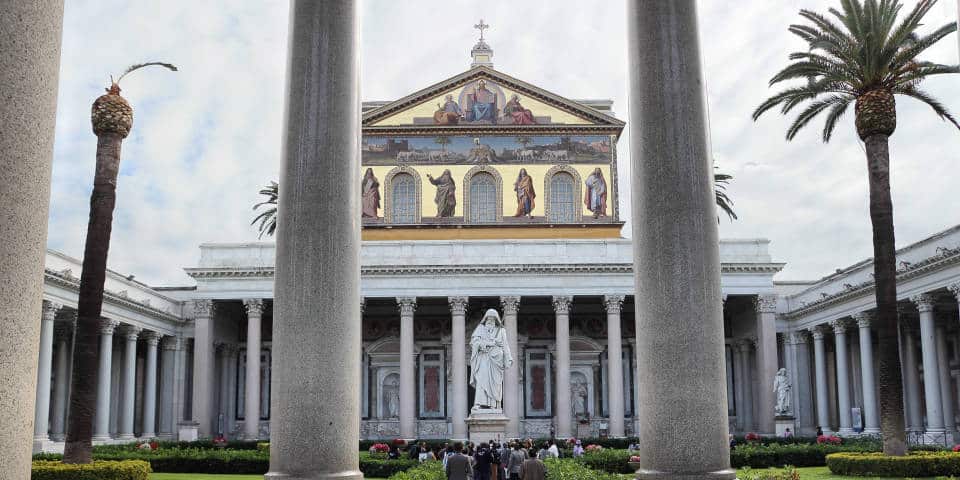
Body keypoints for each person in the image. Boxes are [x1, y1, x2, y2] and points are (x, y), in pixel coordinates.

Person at [470, 309, 513, 410]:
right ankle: (478, 403)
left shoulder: (501, 331)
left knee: (496, 383)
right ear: (485, 320)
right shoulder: (480, 329)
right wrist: (490, 343)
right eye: (488, 320)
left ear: (496, 320)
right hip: (483, 359)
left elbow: (505, 345)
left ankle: (493, 404)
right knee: (481, 381)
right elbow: (474, 343)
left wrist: (509, 358)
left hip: (496, 361)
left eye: (493, 320)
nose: (490, 322)